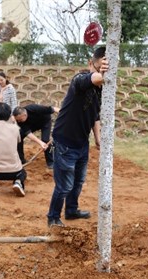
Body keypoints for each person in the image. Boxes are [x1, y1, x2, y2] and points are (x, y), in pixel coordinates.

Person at [46, 46, 108, 227]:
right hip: (65, 142)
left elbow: (95, 115)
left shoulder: (101, 90)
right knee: (64, 185)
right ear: (91, 63)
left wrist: (97, 139)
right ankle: (53, 218)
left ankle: (71, 210)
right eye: (100, 65)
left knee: (78, 181)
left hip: (82, 142)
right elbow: (93, 78)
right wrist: (102, 74)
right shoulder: (79, 80)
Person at [12, 104, 60, 168]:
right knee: (19, 137)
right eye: (17, 120)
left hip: (45, 122)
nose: (18, 121)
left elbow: (53, 109)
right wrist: (40, 143)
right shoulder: (19, 121)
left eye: (20, 119)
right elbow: (28, 133)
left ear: (24, 115)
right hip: (32, 125)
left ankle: (50, 162)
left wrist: (65, 113)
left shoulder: (34, 108)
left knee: (45, 140)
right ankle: (22, 160)